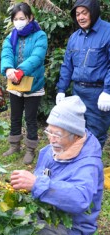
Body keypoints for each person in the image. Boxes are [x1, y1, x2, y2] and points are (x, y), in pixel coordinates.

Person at [10, 95, 103, 235]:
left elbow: (80, 199)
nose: (51, 139)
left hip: (73, 224)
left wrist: (37, 184)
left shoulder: (89, 165)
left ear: (76, 135)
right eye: (49, 132)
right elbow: (40, 177)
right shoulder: (48, 152)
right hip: (47, 211)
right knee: (11, 219)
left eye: (57, 134)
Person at [56, 0, 110, 149]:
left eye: (84, 13)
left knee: (95, 135)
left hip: (98, 94)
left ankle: (92, 169)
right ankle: (79, 168)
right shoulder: (74, 38)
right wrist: (61, 89)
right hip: (77, 92)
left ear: (93, 12)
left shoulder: (107, 32)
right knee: (77, 133)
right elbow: (67, 65)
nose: (80, 17)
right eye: (77, 14)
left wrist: (107, 91)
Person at [1, 2, 48, 164]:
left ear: (30, 18)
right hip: (14, 84)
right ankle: (14, 145)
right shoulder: (11, 36)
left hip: (33, 85)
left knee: (30, 118)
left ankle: (30, 149)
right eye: (15, 19)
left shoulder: (40, 36)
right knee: (14, 116)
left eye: (22, 18)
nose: (18, 21)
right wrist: (8, 69)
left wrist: (21, 70)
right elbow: (6, 53)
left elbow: (37, 56)